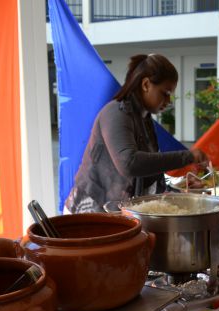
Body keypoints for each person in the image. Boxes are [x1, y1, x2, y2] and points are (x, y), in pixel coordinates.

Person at [65, 54, 208, 213]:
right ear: (146, 84)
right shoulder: (116, 113)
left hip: (114, 210)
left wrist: (182, 185)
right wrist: (187, 156)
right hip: (89, 210)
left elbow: (149, 171)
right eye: (165, 93)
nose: (168, 101)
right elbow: (129, 163)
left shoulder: (143, 118)